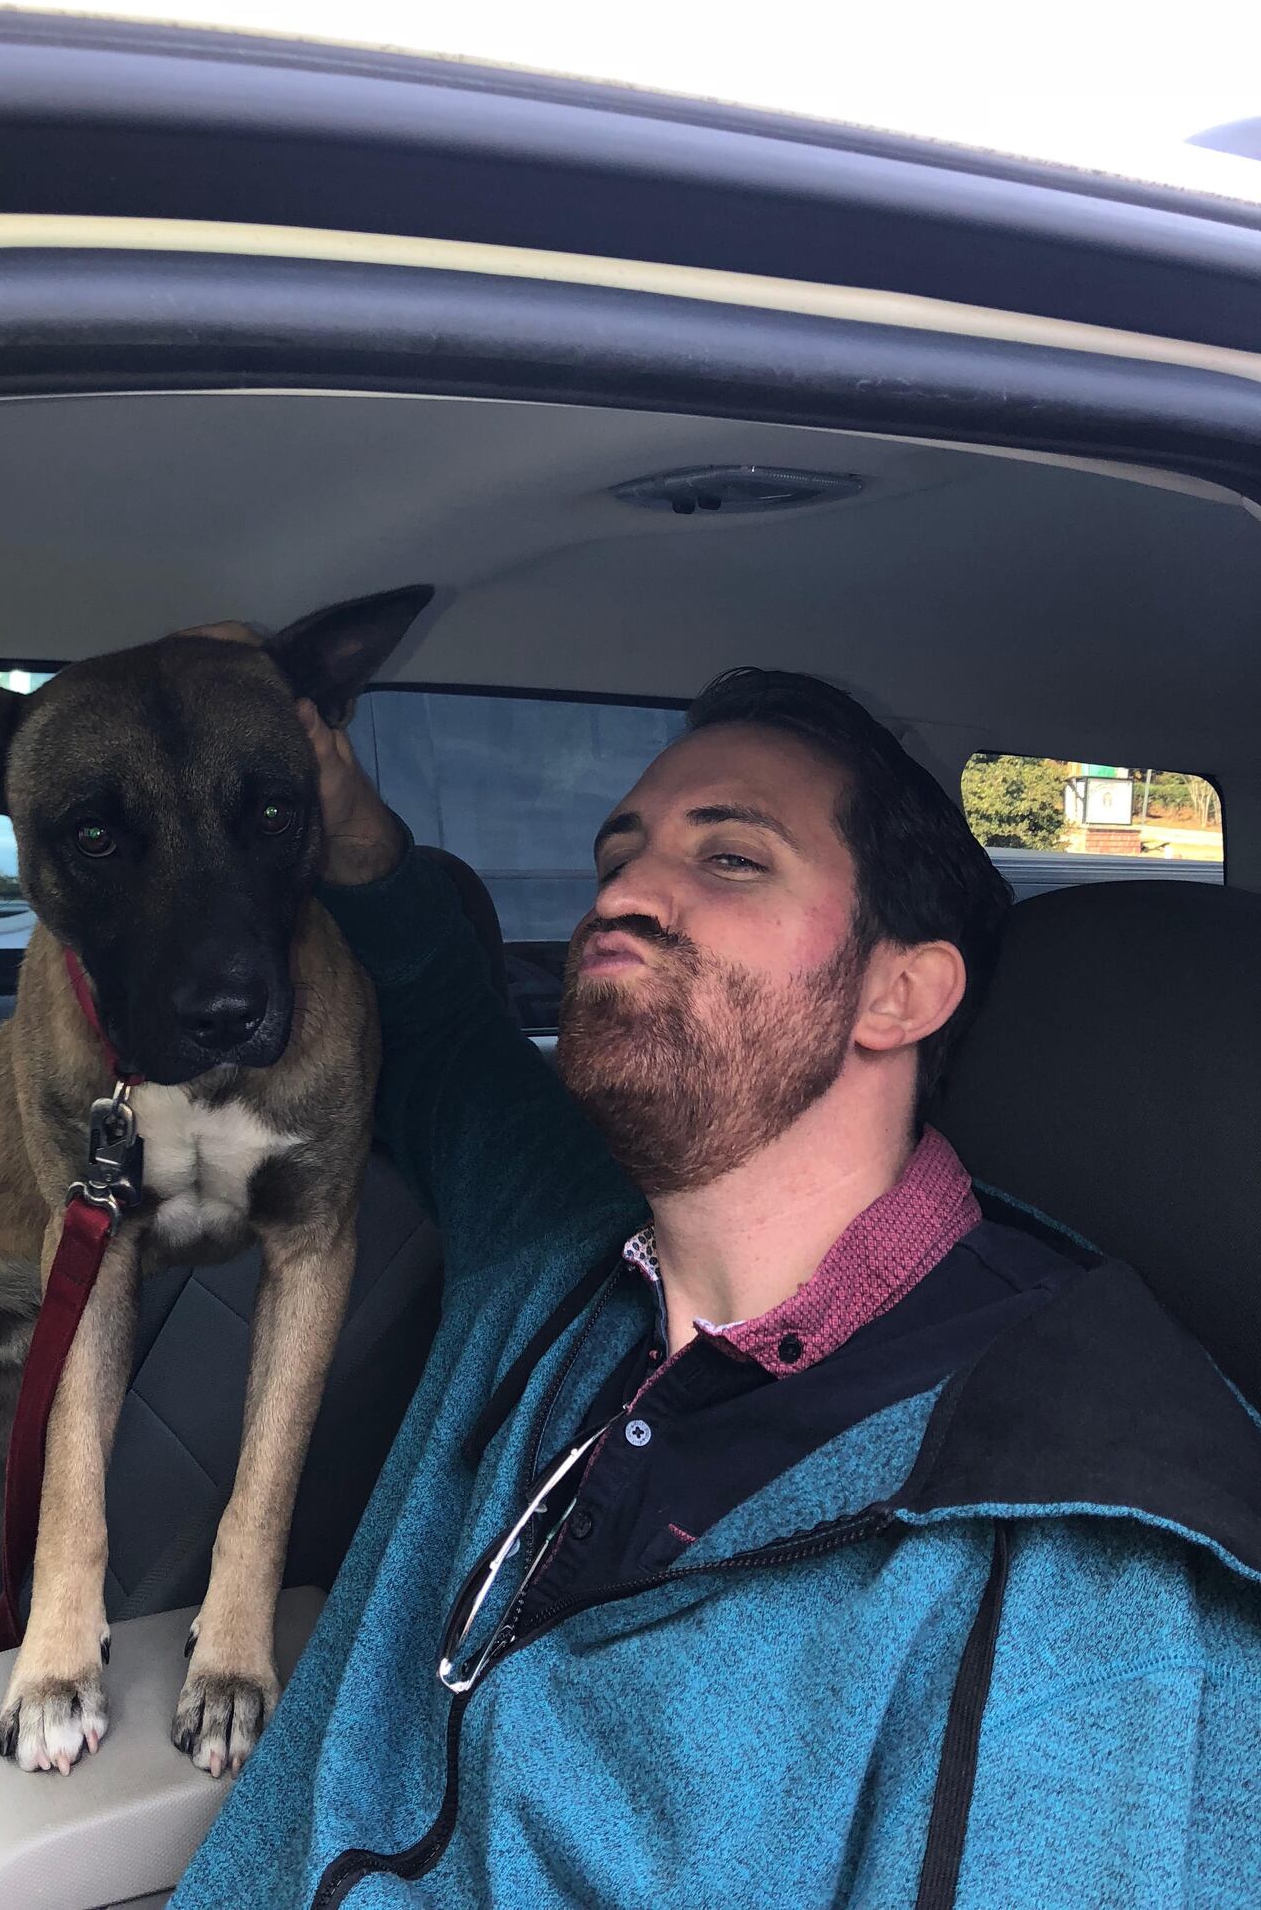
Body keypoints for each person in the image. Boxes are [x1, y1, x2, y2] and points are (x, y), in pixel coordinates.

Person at [173, 663, 1261, 1910]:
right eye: (614, 856)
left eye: (732, 860)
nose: (622, 896)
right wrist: (343, 818)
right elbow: (433, 1013)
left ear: (899, 991)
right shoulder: (552, 1243)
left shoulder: (1085, 1556)